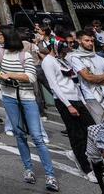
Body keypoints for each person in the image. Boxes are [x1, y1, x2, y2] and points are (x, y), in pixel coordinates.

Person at [0, 28, 58, 191]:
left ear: (9, 38)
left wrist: (10, 74)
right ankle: (28, 170)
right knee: (19, 135)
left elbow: (31, 77)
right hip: (9, 97)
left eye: (0, 36)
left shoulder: (24, 55)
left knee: (37, 137)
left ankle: (50, 175)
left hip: (27, 98)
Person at [39, 40, 93, 176]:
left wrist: (83, 101)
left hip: (77, 99)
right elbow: (53, 85)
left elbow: (74, 82)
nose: (66, 51)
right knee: (76, 135)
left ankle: (81, 156)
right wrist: (68, 105)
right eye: (63, 49)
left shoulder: (63, 60)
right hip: (65, 101)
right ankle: (85, 167)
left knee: (91, 130)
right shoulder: (48, 61)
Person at [67, 29, 104, 123]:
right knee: (100, 126)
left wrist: (95, 79)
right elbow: (88, 77)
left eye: (92, 41)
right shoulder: (75, 57)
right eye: (87, 40)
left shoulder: (100, 59)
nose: (90, 43)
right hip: (92, 96)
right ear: (79, 41)